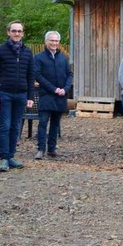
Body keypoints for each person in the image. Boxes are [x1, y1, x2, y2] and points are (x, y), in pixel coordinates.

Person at [0, 20, 35, 172]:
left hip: (21, 95)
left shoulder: (27, 52)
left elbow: (30, 75)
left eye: (19, 31)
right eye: (13, 31)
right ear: (8, 32)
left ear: (22, 33)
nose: (16, 33)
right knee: (5, 126)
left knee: (16, 127)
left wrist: (30, 97)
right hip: (4, 94)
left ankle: (11, 156)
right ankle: (4, 158)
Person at [33, 31, 73, 160]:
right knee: (43, 122)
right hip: (46, 95)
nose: (54, 43)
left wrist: (65, 89)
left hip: (61, 96)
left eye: (56, 41)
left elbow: (69, 74)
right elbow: (38, 76)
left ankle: (51, 149)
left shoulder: (63, 58)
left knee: (55, 124)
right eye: (51, 40)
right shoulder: (39, 58)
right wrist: (53, 89)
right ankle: (40, 149)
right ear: (46, 41)